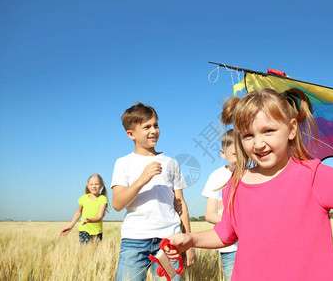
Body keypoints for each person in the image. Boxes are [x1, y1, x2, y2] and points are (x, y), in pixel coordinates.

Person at [164, 88, 333, 280]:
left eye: (268, 131)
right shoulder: (235, 184)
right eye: (248, 135)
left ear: (291, 130)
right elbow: (225, 234)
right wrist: (192, 240)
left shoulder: (313, 175)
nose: (258, 144)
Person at [111, 102, 194, 281]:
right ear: (131, 134)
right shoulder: (123, 163)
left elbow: (180, 204)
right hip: (134, 240)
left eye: (155, 125)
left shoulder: (171, 163)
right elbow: (117, 204)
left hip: (168, 241)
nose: (153, 130)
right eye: (146, 127)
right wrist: (142, 179)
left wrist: (188, 242)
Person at [201, 129, 238, 281]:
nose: (241, 158)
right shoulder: (217, 176)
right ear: (223, 153)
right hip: (229, 248)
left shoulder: (256, 173)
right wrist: (236, 222)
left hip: (254, 245)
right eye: (235, 154)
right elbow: (210, 214)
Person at [60, 174, 108, 244]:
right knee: (84, 251)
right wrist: (70, 226)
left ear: (101, 185)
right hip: (84, 229)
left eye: (96, 184)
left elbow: (100, 216)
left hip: (97, 231)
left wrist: (90, 220)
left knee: (95, 253)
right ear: (87, 185)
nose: (94, 186)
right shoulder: (83, 198)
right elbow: (78, 212)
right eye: (91, 184)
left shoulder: (102, 199)